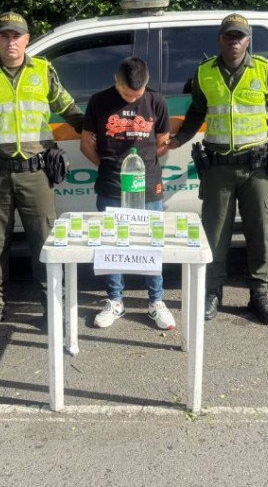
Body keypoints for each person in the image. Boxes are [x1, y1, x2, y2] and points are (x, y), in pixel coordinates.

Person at [0, 11, 84, 335]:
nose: (10, 41)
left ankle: (51, 309)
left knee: (44, 244)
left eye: (17, 35)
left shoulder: (44, 71)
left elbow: (68, 108)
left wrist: (97, 127)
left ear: (27, 39)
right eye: (4, 35)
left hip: (36, 173)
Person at [168, 14, 268, 325]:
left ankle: (259, 295)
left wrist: (261, 144)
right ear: (220, 39)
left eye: (239, 36)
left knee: (259, 234)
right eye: (228, 36)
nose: (234, 41)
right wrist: (180, 138)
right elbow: (196, 111)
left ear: (248, 40)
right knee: (214, 235)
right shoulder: (204, 74)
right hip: (219, 168)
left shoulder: (266, 72)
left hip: (256, 168)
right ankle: (213, 292)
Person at [80, 57, 176, 331]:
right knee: (111, 244)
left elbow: (162, 142)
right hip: (111, 185)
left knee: (151, 243)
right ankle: (115, 301)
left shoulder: (157, 101)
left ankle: (156, 302)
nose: (131, 99)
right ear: (115, 80)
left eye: (137, 94)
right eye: (125, 94)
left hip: (148, 187)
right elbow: (86, 143)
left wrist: (139, 168)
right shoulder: (99, 101)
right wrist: (110, 167)